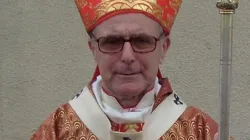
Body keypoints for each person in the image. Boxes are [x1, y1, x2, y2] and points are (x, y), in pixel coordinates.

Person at [30, 0, 221, 139]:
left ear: (164, 48)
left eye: (142, 41)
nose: (127, 56)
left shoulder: (201, 131)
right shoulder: (57, 130)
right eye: (112, 41)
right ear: (93, 49)